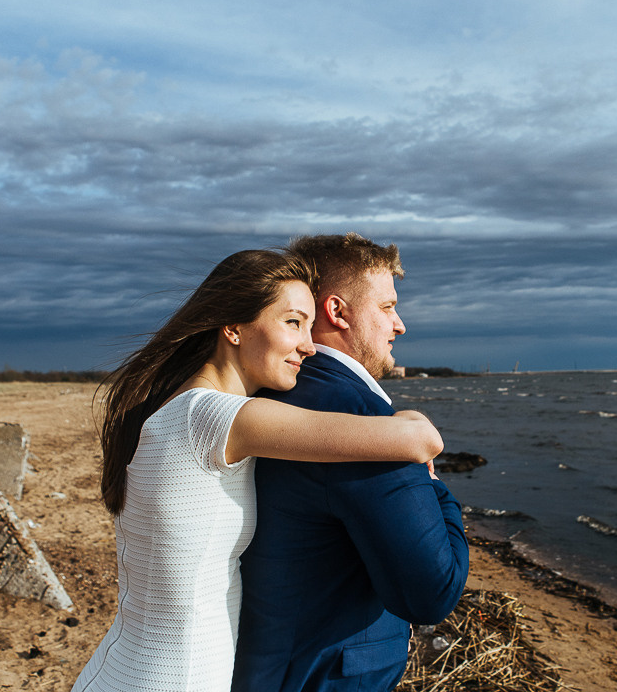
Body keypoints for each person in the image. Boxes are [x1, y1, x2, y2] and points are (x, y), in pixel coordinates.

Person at [70, 249, 444, 692]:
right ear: (233, 327)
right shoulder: (218, 418)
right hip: (171, 679)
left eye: (309, 325)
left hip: (127, 668)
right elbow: (420, 440)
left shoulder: (174, 408)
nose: (309, 345)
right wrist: (410, 418)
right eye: (293, 322)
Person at [232, 233, 470, 692]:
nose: (399, 325)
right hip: (324, 676)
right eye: (387, 307)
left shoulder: (275, 393)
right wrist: (437, 488)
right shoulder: (362, 421)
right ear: (338, 312)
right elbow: (432, 593)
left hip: (272, 662)